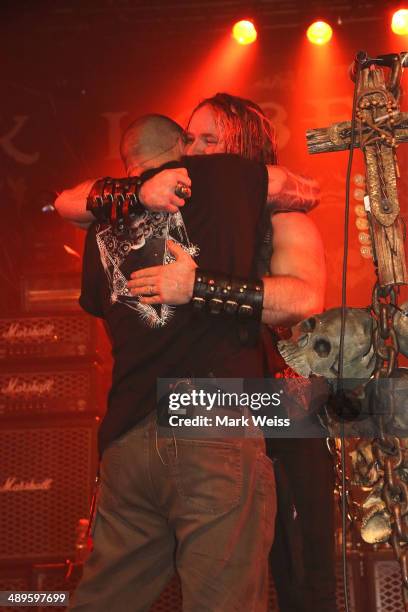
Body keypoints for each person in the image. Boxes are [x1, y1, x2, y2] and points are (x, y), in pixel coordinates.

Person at [65, 113, 284, 612]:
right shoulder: (217, 177)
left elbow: (105, 309)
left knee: (105, 601)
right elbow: (298, 186)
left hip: (127, 434)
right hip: (205, 413)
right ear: (183, 145)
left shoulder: (102, 220)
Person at [126, 94, 336, 612]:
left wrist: (198, 287)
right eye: (188, 140)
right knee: (201, 571)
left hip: (282, 404)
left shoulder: (282, 219)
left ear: (241, 150)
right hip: (204, 409)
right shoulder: (179, 213)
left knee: (300, 573)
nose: (191, 151)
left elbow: (305, 299)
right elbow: (70, 203)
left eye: (208, 141)